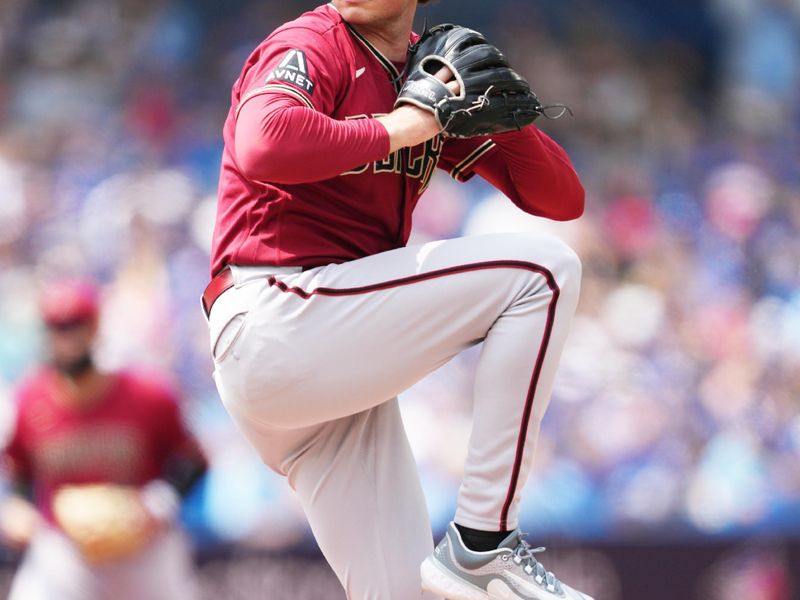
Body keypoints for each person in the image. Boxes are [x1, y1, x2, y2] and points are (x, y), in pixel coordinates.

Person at [205, 0, 591, 598]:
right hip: (276, 314)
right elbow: (265, 141)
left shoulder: (428, 73)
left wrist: (497, 110)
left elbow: (561, 198)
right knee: (540, 271)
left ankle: (473, 556)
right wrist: (409, 125)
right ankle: (485, 542)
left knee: (403, 592)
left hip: (327, 368)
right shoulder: (313, 43)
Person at [0, 279, 207, 600]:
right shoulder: (29, 400)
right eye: (56, 327)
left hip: (143, 550)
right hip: (65, 551)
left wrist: (160, 501)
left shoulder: (148, 394)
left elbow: (194, 461)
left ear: (95, 326)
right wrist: (18, 506)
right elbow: (20, 471)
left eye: (74, 325)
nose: (65, 337)